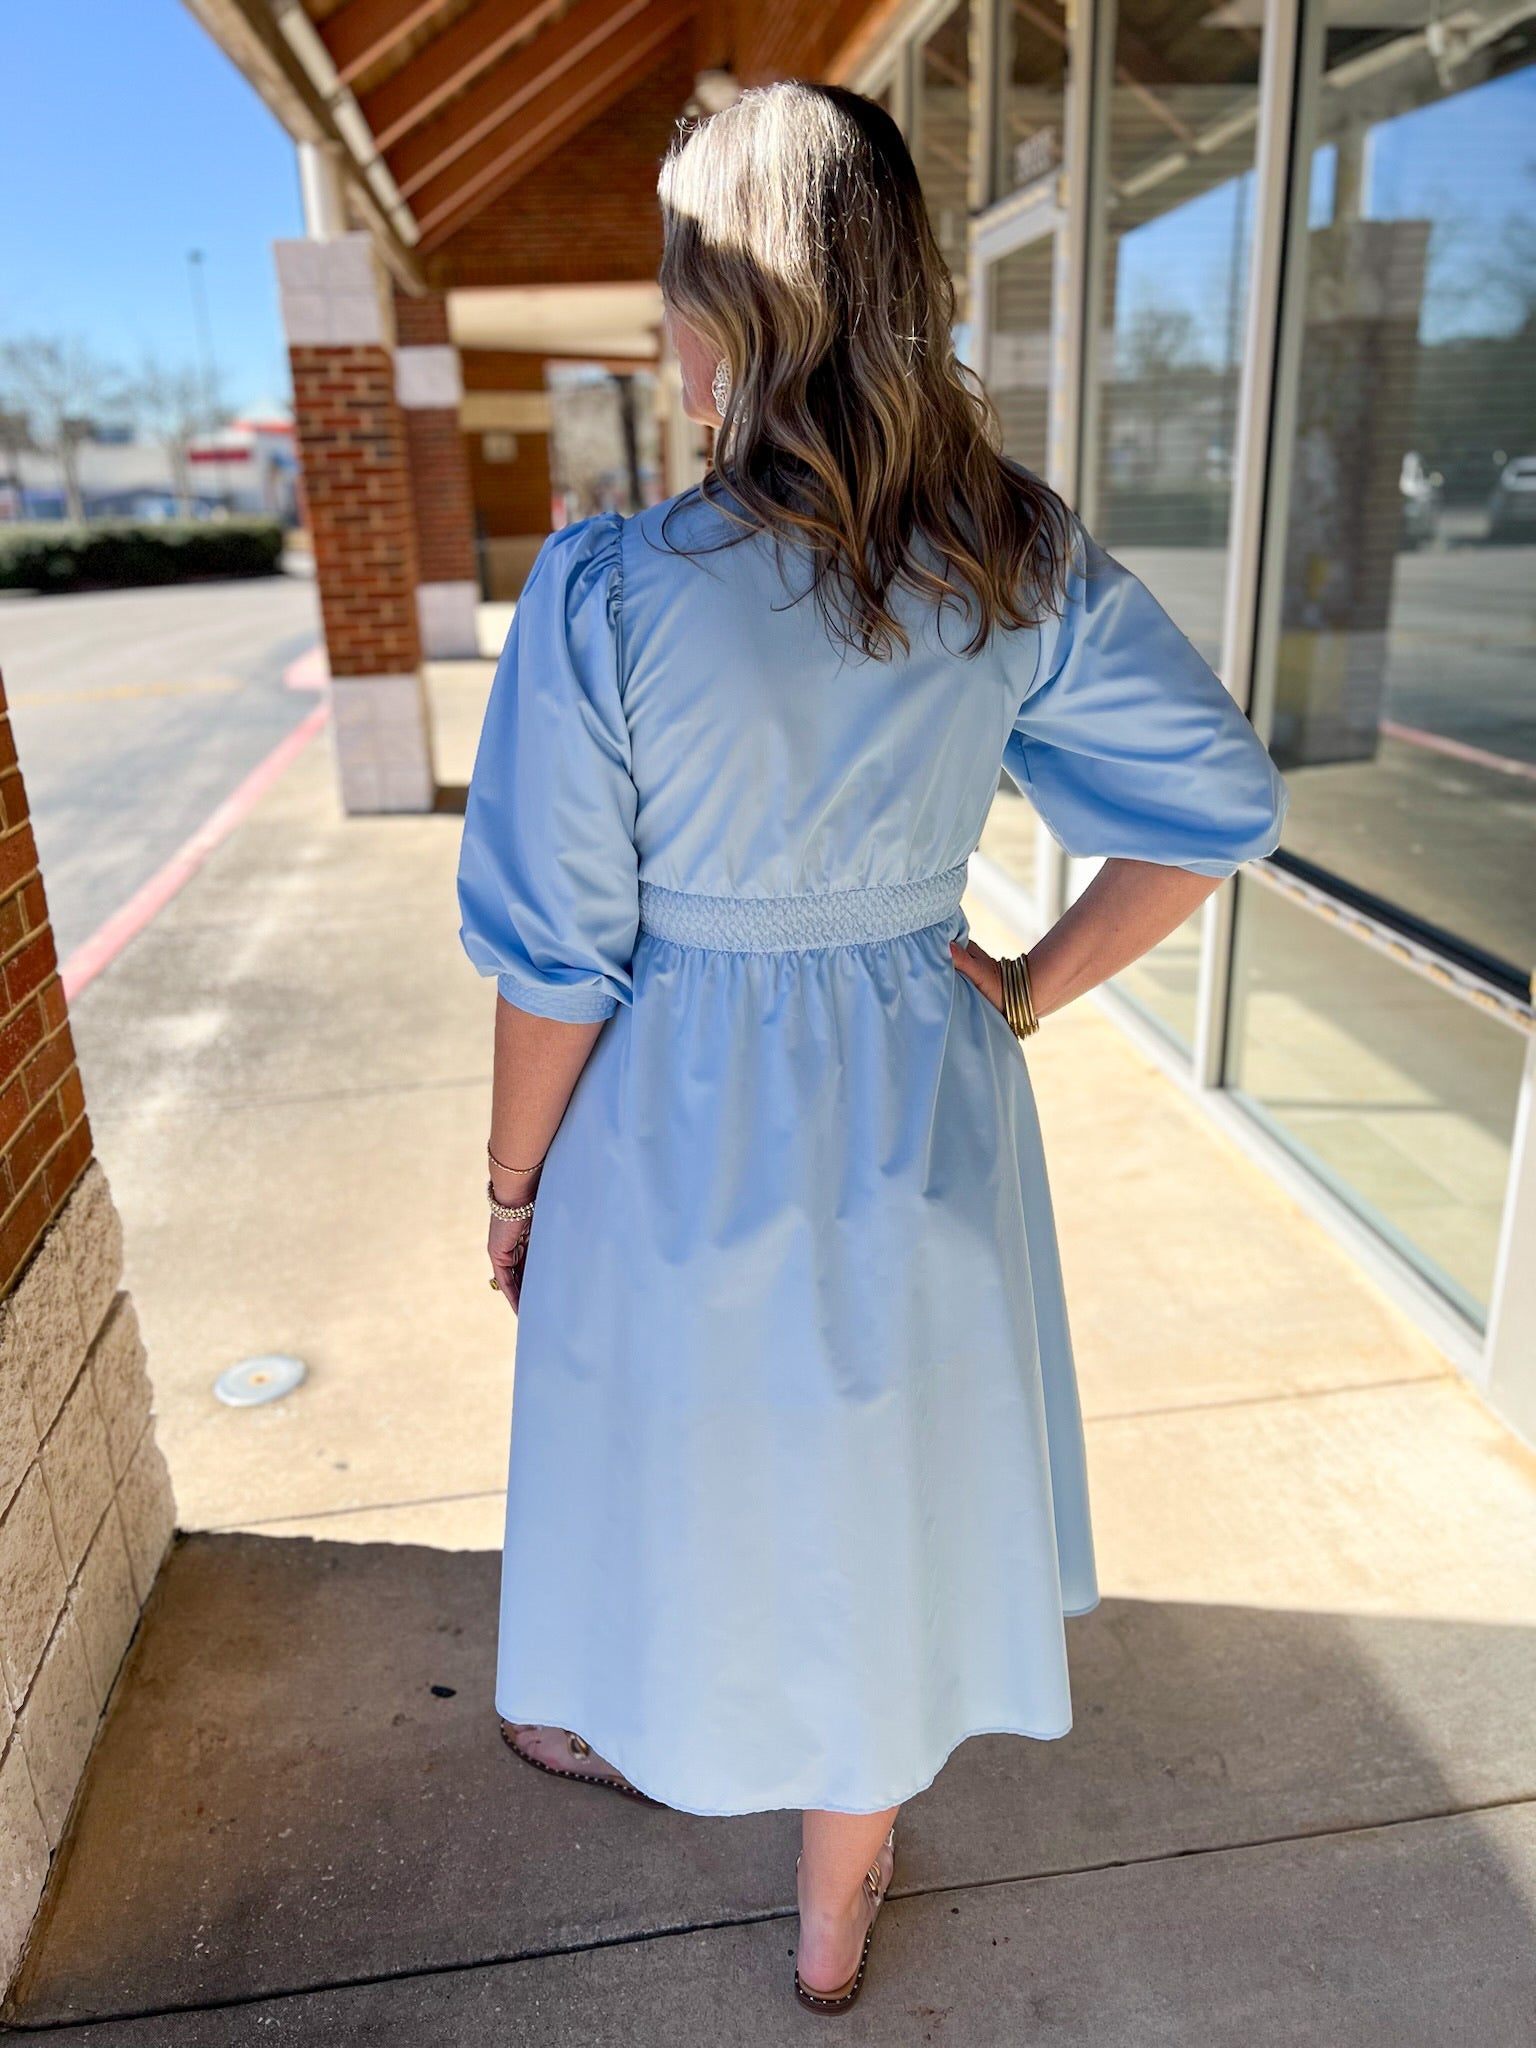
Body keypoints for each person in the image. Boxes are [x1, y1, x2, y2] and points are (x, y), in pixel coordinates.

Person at [455, 80, 1287, 2015]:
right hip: (920, 1081)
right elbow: (1217, 805)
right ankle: (835, 1903)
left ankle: (614, 1714)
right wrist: (1023, 983)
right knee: (874, 1473)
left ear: (719, 316)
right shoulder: (1011, 554)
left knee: (659, 1436)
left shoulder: (605, 592)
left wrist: (514, 1183)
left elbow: (558, 958)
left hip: (674, 1097)